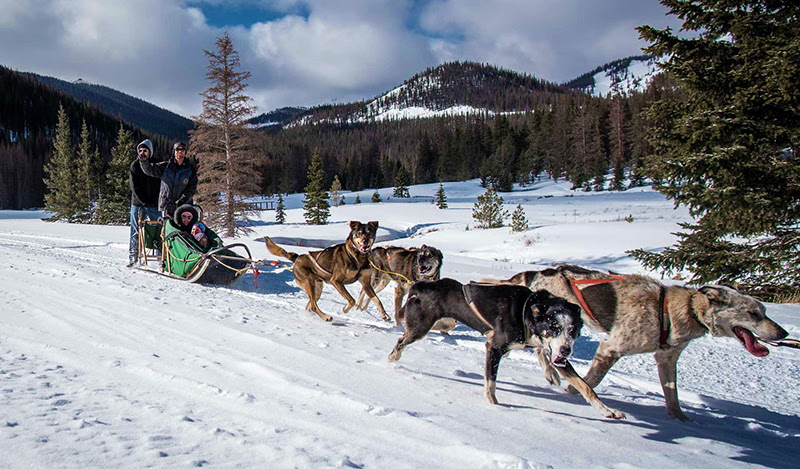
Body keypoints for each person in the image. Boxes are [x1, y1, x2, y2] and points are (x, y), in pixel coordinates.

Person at [140, 141, 198, 219]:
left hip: (184, 208)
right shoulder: (165, 167)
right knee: (166, 229)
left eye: (182, 150)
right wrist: (144, 161)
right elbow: (150, 170)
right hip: (166, 206)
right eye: (177, 150)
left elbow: (192, 187)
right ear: (174, 152)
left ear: (185, 152)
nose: (180, 152)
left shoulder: (190, 169)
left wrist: (182, 200)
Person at [128, 139, 162, 267]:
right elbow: (134, 187)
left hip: (154, 204)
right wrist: (143, 201)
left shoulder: (156, 164)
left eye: (145, 150)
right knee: (135, 230)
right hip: (138, 204)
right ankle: (133, 257)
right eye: (140, 150)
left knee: (158, 230)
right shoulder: (135, 165)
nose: (142, 153)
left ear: (150, 152)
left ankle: (160, 258)